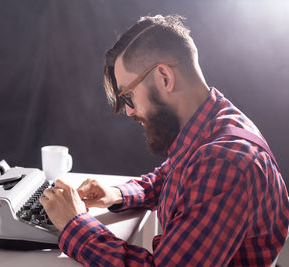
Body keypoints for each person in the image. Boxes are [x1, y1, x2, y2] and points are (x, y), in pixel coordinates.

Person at [39, 15, 289, 266]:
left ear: (164, 78)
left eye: (129, 96)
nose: (129, 111)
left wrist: (75, 224)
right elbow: (169, 178)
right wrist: (115, 194)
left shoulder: (226, 162)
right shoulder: (213, 124)